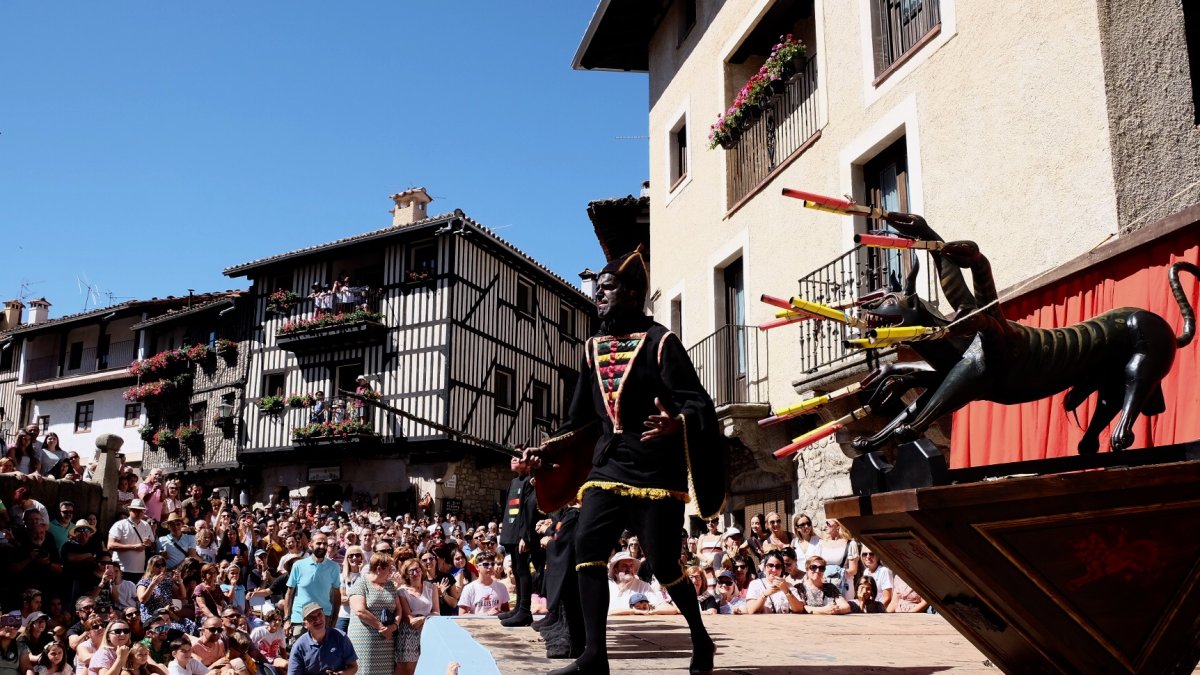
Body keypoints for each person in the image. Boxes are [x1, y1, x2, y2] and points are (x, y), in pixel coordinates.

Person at [525, 247, 724, 675]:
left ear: (633, 294)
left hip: (656, 469)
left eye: (608, 287)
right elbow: (579, 420)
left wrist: (677, 424)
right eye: (598, 288)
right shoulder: (592, 347)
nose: (599, 294)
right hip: (608, 466)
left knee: (666, 564)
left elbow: (698, 403)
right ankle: (595, 656)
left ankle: (701, 638)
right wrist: (547, 449)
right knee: (586, 549)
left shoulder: (661, 342)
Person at [498, 455, 539, 627]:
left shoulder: (531, 482)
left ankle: (524, 610)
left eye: (518, 457)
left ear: (528, 462)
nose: (513, 460)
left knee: (522, 570)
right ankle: (518, 609)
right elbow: (509, 509)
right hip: (510, 533)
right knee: (515, 568)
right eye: (512, 457)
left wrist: (525, 536)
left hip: (521, 534)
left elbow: (528, 511)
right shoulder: (514, 482)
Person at [347, 553, 402, 675]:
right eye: (390, 569)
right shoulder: (361, 583)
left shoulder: (390, 585)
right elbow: (359, 610)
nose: (391, 572)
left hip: (387, 641)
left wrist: (394, 626)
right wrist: (381, 627)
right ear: (379, 568)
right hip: (365, 641)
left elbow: (399, 609)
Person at [283, 532, 341, 646]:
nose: (322, 546)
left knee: (324, 655)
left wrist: (334, 620)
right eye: (318, 543)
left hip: (324, 618)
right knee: (300, 655)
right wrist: (287, 619)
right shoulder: (298, 566)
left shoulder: (334, 567)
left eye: (325, 544)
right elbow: (289, 594)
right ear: (310, 545)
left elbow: (336, 596)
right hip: (300, 618)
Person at [286, 602, 358, 675]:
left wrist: (339, 674)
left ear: (325, 617)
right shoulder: (299, 646)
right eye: (311, 617)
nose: (317, 619)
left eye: (319, 615)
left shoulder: (340, 637)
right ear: (305, 624)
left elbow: (353, 667)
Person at [396, 558, 435, 674]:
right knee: (408, 670)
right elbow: (410, 621)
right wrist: (427, 617)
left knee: (426, 666)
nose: (415, 573)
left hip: (428, 632)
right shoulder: (402, 592)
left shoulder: (432, 588)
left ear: (422, 571)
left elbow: (437, 612)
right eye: (411, 571)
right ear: (406, 575)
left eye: (417, 570)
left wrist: (422, 618)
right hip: (408, 634)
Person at [108, 500, 155, 582]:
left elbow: (152, 544)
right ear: (129, 510)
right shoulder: (120, 525)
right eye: (136, 510)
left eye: (141, 510)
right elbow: (110, 545)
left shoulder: (146, 525)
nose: (139, 513)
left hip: (139, 570)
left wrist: (149, 543)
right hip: (121, 569)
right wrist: (133, 547)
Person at [813, 518, 858, 596]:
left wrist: (837, 576)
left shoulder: (850, 544)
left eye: (828, 523)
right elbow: (815, 564)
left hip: (844, 585)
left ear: (838, 525)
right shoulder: (821, 544)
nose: (825, 526)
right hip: (824, 584)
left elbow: (853, 570)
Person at [335, 546, 364, 633]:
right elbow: (342, 599)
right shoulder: (342, 577)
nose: (354, 558)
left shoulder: (365, 576)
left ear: (362, 557)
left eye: (357, 555)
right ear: (347, 559)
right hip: (344, 617)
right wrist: (359, 599)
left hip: (360, 617)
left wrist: (362, 571)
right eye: (351, 556)